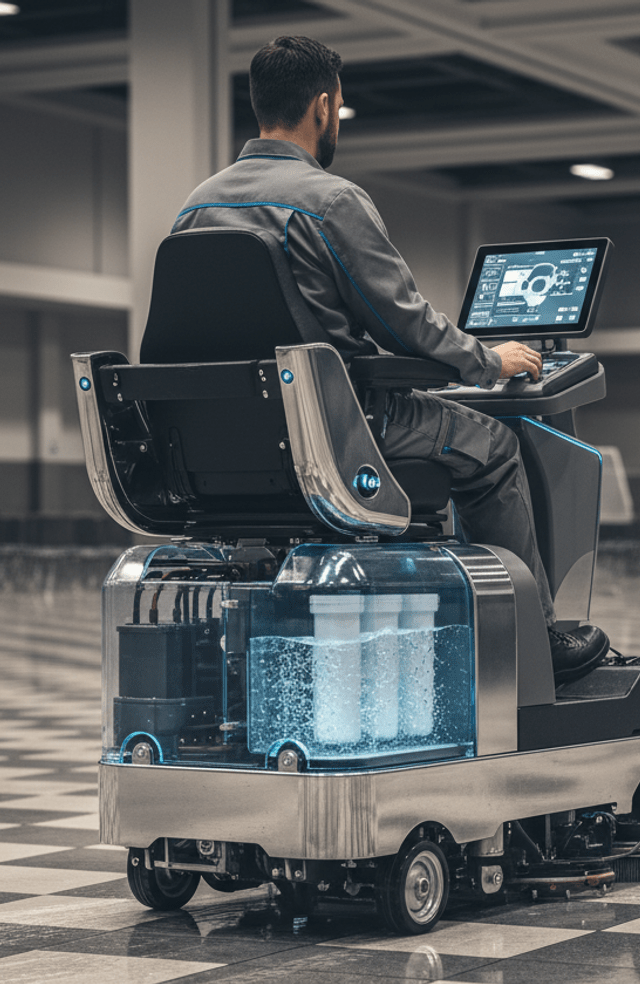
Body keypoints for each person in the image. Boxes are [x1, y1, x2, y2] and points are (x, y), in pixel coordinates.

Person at [172, 35, 609, 685]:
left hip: (223, 446)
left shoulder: (196, 207)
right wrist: (487, 360)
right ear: (323, 107)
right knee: (493, 448)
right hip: (339, 426)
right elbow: (402, 322)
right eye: (339, 108)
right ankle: (532, 642)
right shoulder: (329, 200)